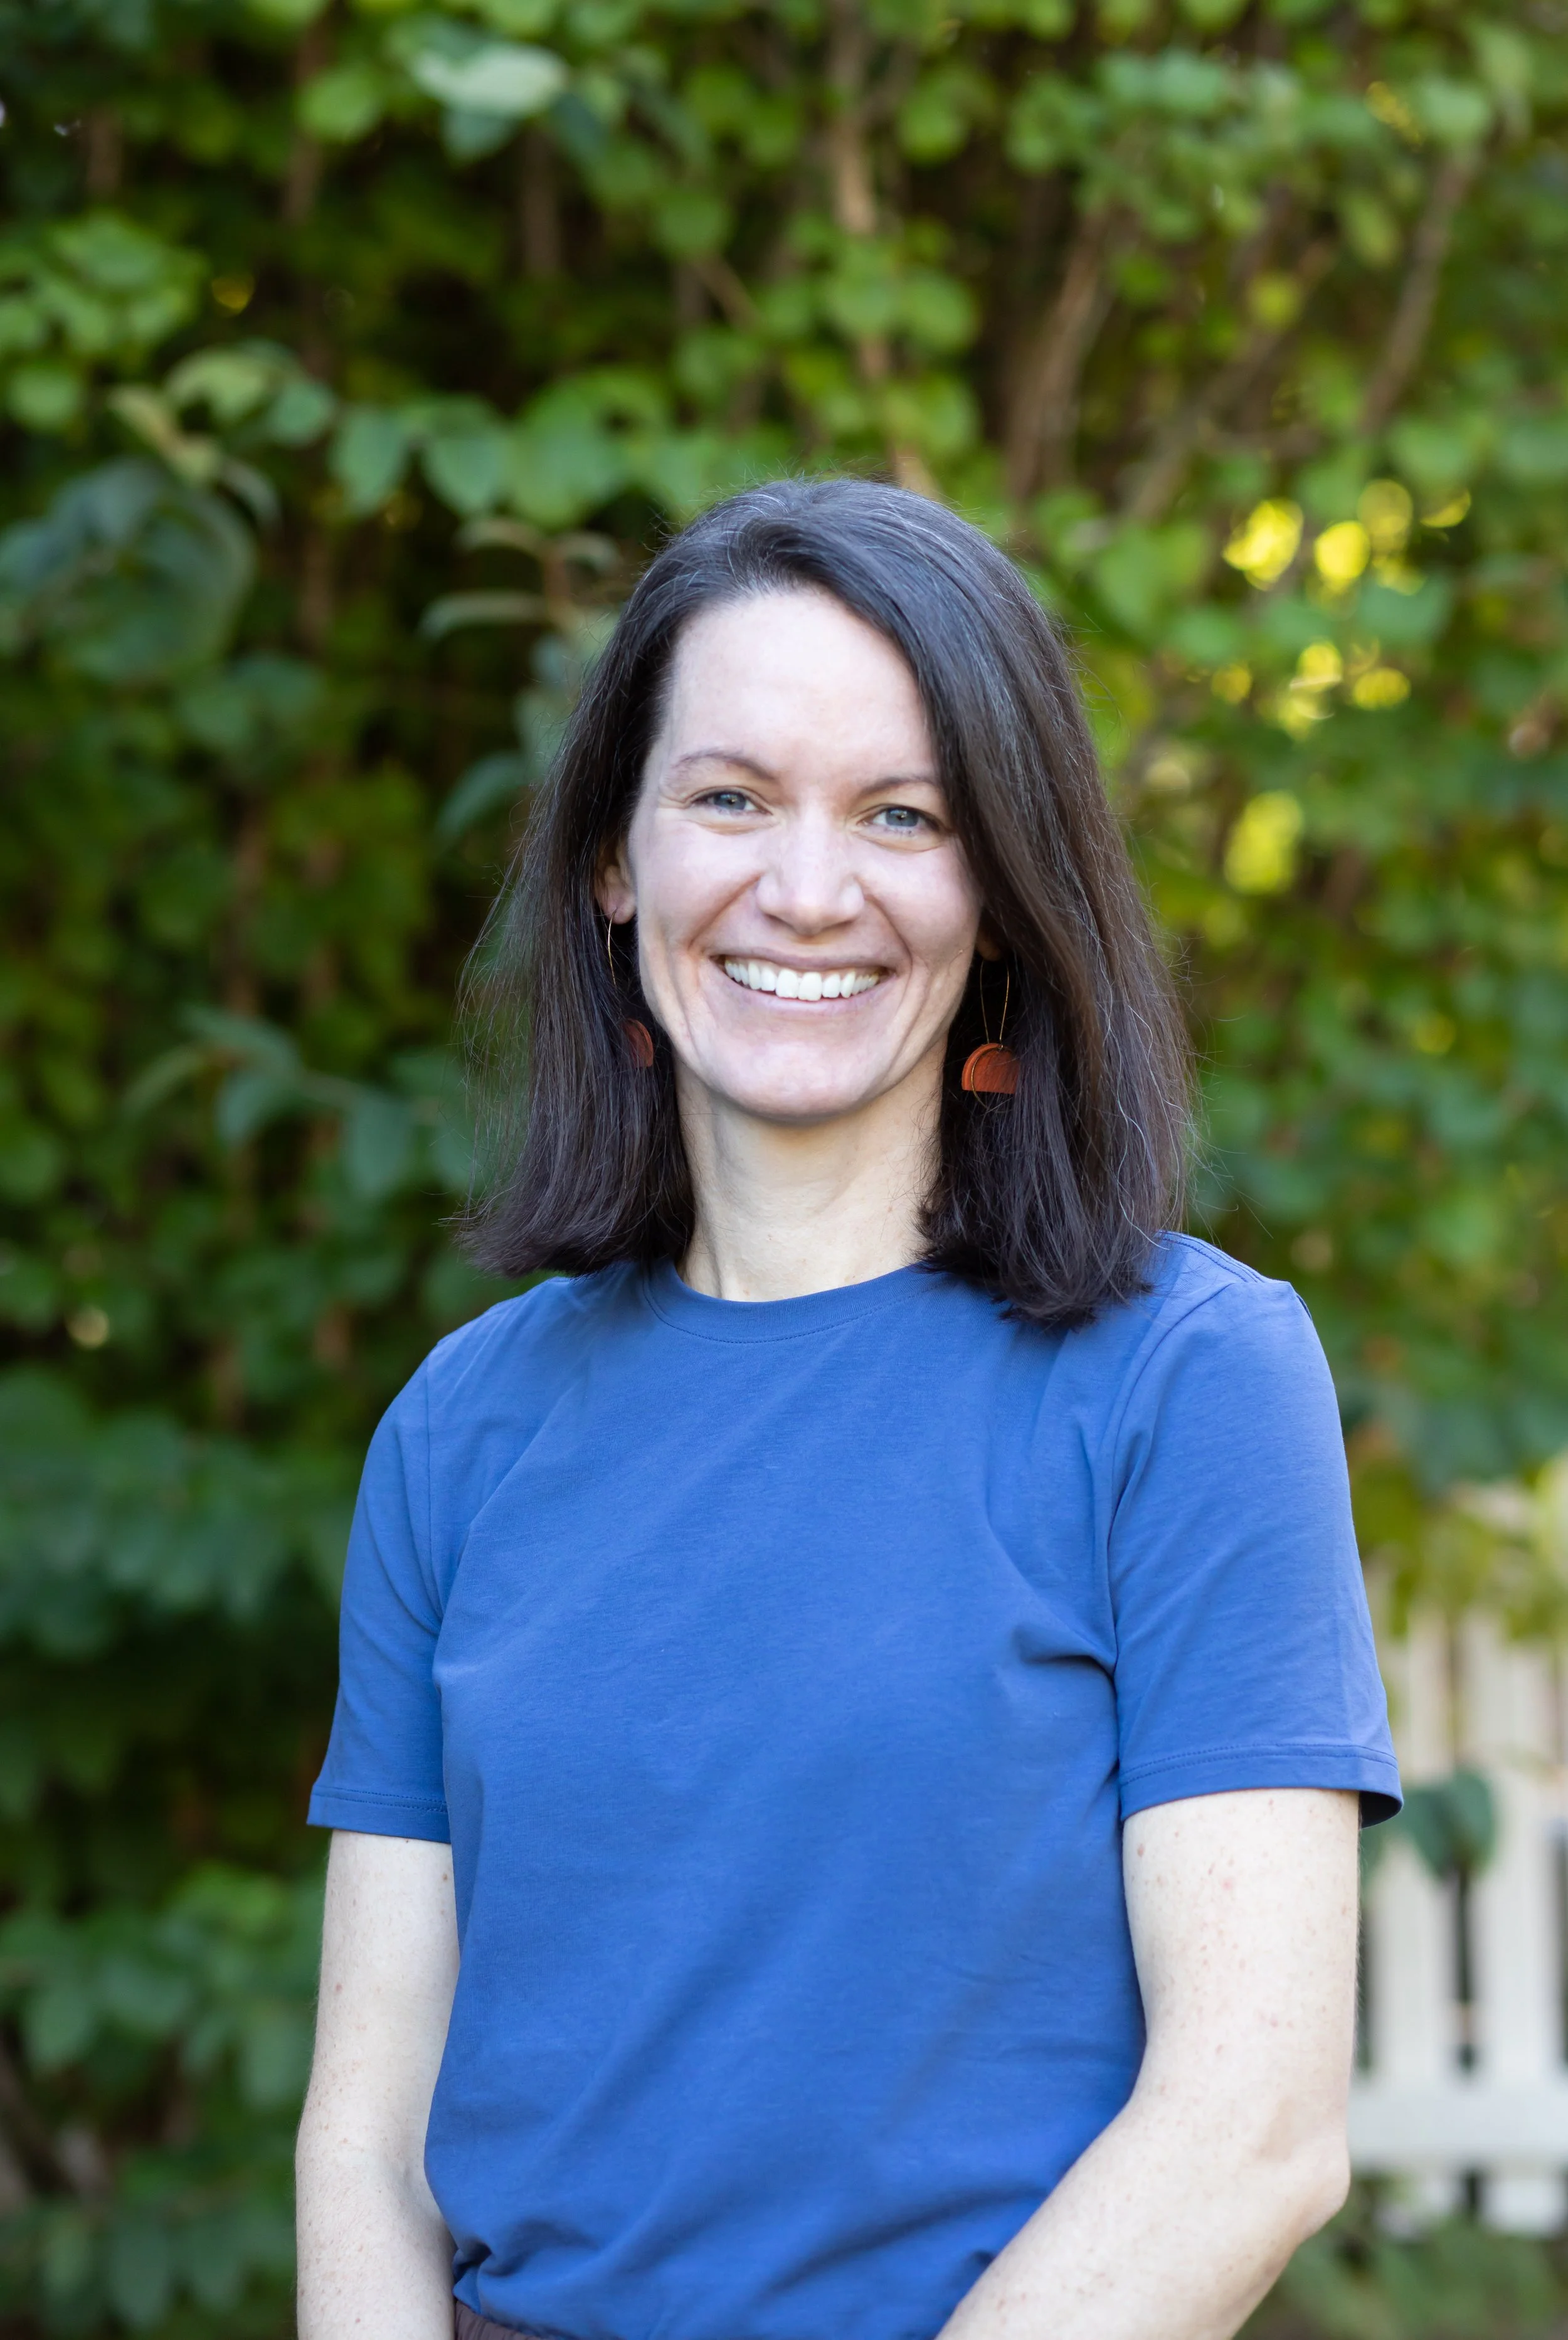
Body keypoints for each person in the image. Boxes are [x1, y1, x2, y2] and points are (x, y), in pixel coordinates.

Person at [295, 479, 1400, 2340]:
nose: (807, 891)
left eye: (904, 816)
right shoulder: (462, 1430)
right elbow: (367, 2139)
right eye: (730, 799)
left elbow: (1253, 2129)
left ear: (1003, 896)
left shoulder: (1186, 1379)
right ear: (614, 860)